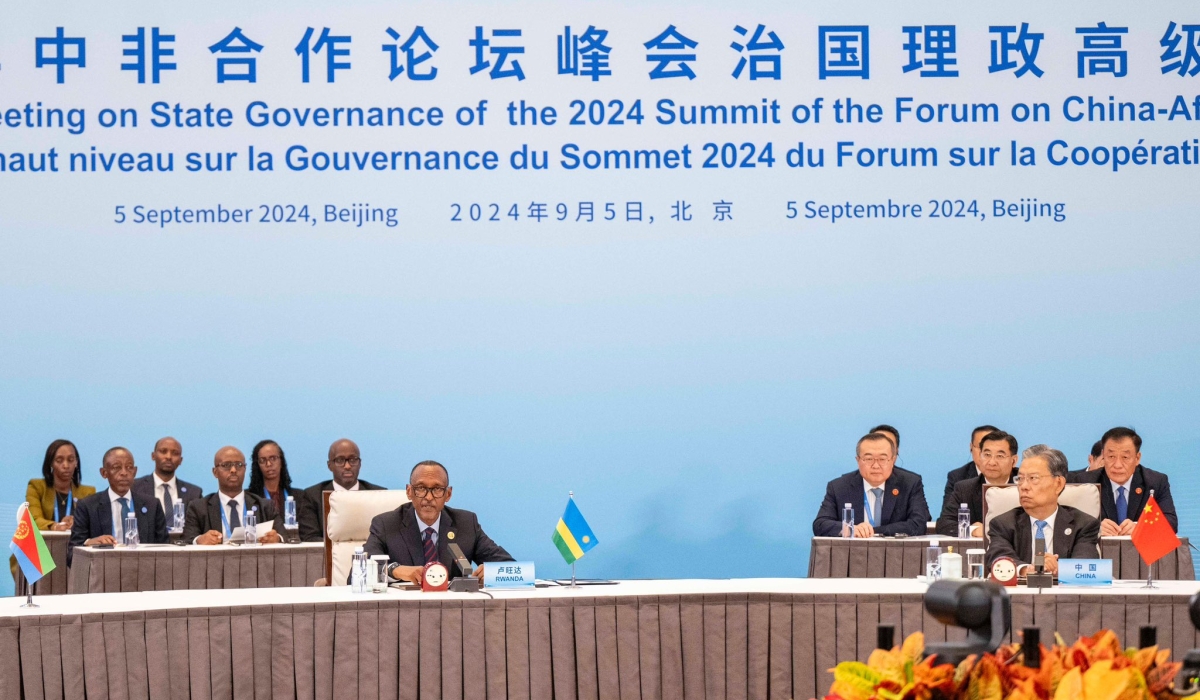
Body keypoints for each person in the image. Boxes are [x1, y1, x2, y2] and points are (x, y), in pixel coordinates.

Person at [363, 460, 513, 584]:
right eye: (421, 488)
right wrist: (394, 570)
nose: (428, 497)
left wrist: (494, 572)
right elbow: (358, 573)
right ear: (409, 491)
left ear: (448, 494)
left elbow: (512, 568)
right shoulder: (386, 524)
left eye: (437, 489)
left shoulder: (466, 524)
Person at [986, 445, 1099, 575]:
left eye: (1033, 478)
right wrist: (1026, 569)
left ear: (1058, 484)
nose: (1024, 486)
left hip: (1067, 595)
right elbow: (998, 558)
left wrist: (1059, 569)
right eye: (1020, 479)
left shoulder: (1083, 524)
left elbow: (1087, 563)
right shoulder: (1003, 524)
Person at [812, 433, 930, 537]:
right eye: (869, 459)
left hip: (897, 556)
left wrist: (872, 531)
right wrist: (851, 529)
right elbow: (820, 524)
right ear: (858, 460)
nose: (876, 465)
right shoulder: (839, 487)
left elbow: (918, 524)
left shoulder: (910, 483)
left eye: (882, 459)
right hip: (853, 555)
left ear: (893, 460)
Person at [12, 440, 97, 580]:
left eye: (71, 460)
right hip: (41, 552)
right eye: (59, 460)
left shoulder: (87, 491)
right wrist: (55, 525)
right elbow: (33, 519)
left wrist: (77, 522)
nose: (66, 465)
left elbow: (92, 525)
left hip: (74, 553)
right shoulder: (37, 487)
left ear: (76, 463)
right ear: (51, 463)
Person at [1068, 427, 1177, 536]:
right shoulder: (1086, 483)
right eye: (1111, 456)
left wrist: (1140, 527)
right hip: (1099, 551)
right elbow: (1068, 523)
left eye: (1125, 457)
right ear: (1103, 455)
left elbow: (1171, 523)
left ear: (1137, 458)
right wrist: (1095, 528)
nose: (1117, 465)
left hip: (1139, 551)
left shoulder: (1155, 482)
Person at [68, 447, 168, 563]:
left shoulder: (152, 505)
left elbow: (165, 550)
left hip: (144, 568)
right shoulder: (88, 506)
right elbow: (71, 555)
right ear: (104, 473)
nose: (124, 473)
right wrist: (89, 543)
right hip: (105, 569)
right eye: (117, 467)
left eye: (129, 468)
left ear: (135, 472)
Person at [183, 447, 284, 544]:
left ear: (245, 469)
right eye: (226, 465)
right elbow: (188, 539)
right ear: (215, 472)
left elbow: (283, 536)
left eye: (239, 465)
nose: (233, 470)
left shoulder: (265, 506)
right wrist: (199, 540)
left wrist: (277, 539)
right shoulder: (199, 508)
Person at [298, 439, 386, 542]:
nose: (347, 466)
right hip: (328, 557)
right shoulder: (313, 496)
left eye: (353, 460)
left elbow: (385, 537)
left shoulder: (378, 494)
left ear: (360, 464)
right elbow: (309, 538)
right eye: (340, 460)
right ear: (329, 465)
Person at [935, 430, 1017, 537]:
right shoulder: (964, 489)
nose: (992, 462)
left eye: (1000, 456)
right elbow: (944, 524)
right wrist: (972, 530)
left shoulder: (1025, 485)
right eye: (987, 455)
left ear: (1014, 461)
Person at [131, 436, 203, 527]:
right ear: (153, 456)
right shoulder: (135, 487)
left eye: (175, 453)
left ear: (181, 460)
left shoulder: (194, 493)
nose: (168, 457)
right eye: (163, 451)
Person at [940, 425, 999, 518]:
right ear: (971, 447)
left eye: (989, 449)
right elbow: (947, 519)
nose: (984, 453)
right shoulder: (957, 477)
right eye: (980, 447)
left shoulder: (1017, 476)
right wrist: (974, 529)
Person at [247, 439, 303, 533]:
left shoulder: (300, 497)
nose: (268, 464)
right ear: (257, 466)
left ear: (281, 461)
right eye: (262, 460)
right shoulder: (250, 498)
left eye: (273, 458)